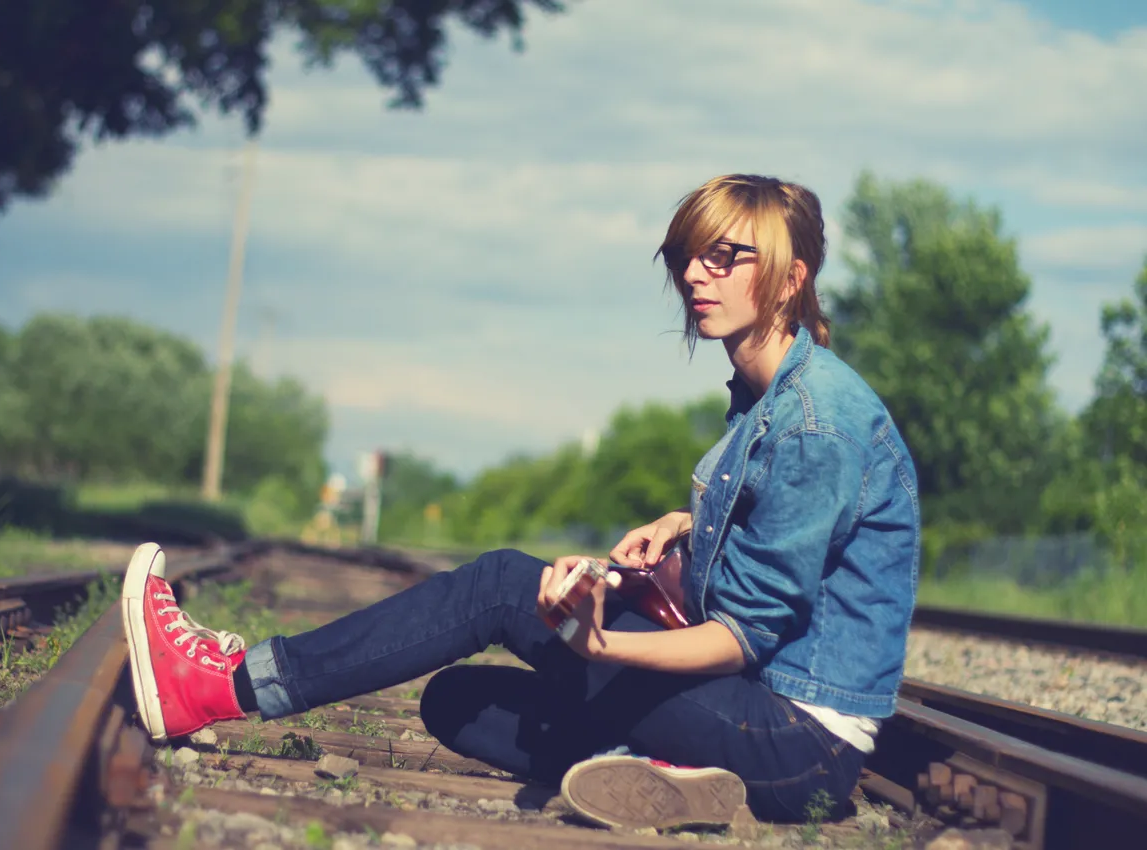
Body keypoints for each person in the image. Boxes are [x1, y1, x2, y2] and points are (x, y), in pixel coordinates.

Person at [120, 173, 920, 829]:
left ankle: (222, 686)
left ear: (790, 276)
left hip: (796, 747)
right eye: (686, 256)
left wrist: (601, 646)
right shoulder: (768, 398)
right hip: (756, 728)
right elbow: (783, 538)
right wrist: (680, 529)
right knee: (456, 702)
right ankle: (672, 783)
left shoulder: (818, 420)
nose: (694, 275)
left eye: (725, 257)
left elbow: (742, 638)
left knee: (504, 585)